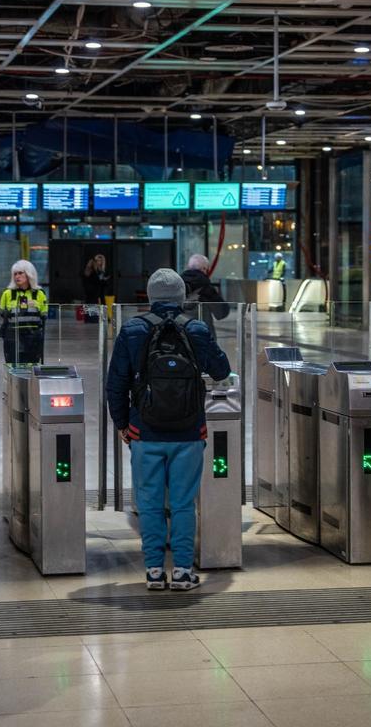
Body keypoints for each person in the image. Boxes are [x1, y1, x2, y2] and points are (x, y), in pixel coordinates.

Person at [106, 269, 231, 591]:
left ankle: (153, 571)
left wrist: (122, 424)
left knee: (148, 503)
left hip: (145, 431)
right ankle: (183, 572)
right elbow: (222, 369)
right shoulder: (197, 328)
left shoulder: (133, 329)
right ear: (181, 296)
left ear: (150, 296)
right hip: (189, 432)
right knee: (182, 503)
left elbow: (116, 384)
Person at [0, 259, 48, 365]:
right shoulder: (7, 293)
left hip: (33, 337)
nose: (17, 276)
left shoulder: (40, 293)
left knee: (32, 367)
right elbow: (3, 314)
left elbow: (44, 316)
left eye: (20, 273)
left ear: (29, 273)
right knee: (12, 367)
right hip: (12, 337)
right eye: (15, 274)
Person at [181, 253, 230, 332]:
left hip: (182, 332)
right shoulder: (206, 287)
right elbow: (222, 313)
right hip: (202, 333)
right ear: (204, 269)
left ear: (188, 267)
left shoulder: (178, 284)